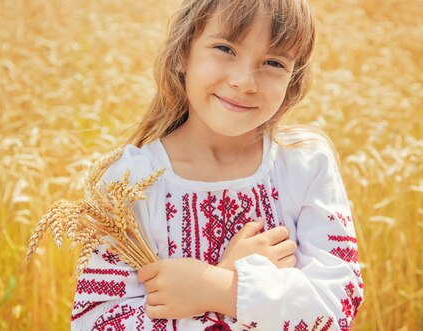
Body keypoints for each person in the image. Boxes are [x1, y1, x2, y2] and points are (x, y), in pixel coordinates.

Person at [71, 0, 364, 330]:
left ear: (292, 79)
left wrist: (219, 289)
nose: (244, 81)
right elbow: (95, 322)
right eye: (225, 48)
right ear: (184, 53)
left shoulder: (305, 163)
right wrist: (226, 282)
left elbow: (340, 306)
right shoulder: (127, 182)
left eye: (273, 62)